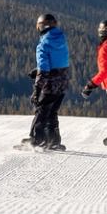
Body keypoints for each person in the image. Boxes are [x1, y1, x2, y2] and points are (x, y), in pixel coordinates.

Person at [23, 13, 71, 150]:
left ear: (41, 27)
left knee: (41, 110)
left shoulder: (43, 45)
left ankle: (37, 140)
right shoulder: (61, 40)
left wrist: (36, 91)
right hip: (62, 83)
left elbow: (44, 72)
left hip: (50, 84)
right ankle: (53, 140)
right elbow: (56, 62)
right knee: (52, 112)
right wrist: (37, 69)